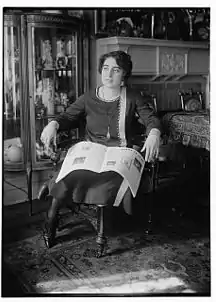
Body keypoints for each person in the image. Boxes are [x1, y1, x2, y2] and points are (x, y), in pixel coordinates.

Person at [40, 50, 162, 248]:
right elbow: (68, 116)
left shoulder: (132, 97)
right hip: (91, 151)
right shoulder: (89, 97)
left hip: (119, 151)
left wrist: (154, 133)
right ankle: (51, 220)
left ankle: (105, 226)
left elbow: (151, 118)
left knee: (110, 177)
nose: (109, 74)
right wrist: (53, 124)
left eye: (116, 70)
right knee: (68, 175)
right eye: (106, 68)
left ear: (124, 74)